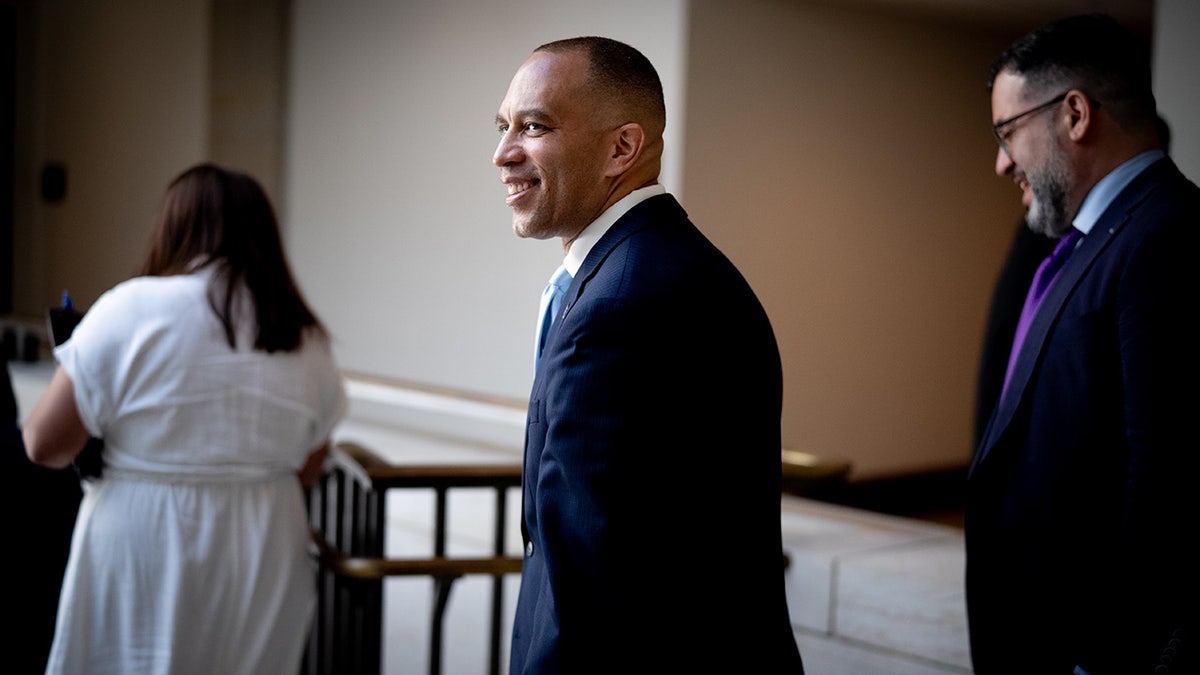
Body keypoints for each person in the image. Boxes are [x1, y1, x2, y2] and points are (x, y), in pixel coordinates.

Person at [493, 37, 804, 674]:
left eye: (534, 126)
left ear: (622, 148)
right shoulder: (661, 266)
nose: (503, 154)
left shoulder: (621, 303)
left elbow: (587, 576)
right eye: (504, 127)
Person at [23, 163, 346, 674]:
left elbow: (44, 443)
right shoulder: (303, 334)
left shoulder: (131, 308)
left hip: (145, 535)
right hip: (265, 541)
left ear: (173, 227)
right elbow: (309, 467)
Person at [966, 14, 1200, 675]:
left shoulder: (1167, 235)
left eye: (1008, 132)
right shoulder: (1091, 241)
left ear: (1074, 113)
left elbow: (1168, 481)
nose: (1001, 161)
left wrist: (1103, 656)